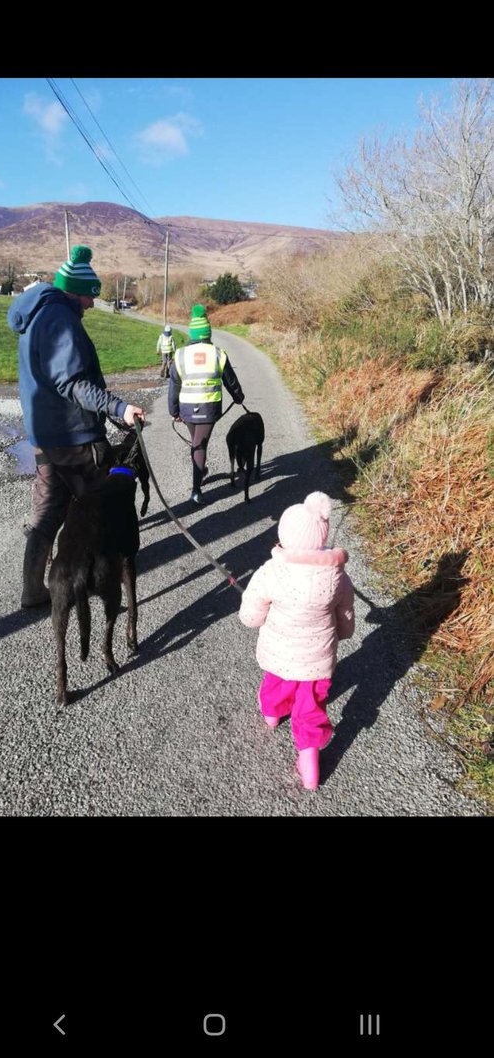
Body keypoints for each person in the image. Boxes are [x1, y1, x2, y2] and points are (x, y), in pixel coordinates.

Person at [7, 244, 145, 609]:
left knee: (49, 511)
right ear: (75, 290)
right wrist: (119, 407)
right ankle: (101, 578)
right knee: (97, 507)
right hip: (75, 436)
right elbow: (73, 384)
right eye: (89, 296)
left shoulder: (36, 314)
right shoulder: (59, 318)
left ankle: (33, 589)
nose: (91, 305)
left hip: (45, 436)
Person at [238, 491, 355, 789]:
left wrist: (256, 618)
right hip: (317, 659)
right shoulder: (338, 577)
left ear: (284, 535)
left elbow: (251, 614)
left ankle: (273, 716)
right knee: (310, 707)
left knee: (276, 685)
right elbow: (346, 616)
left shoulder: (271, 571)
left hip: (280, 653)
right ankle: (309, 764)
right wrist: (341, 634)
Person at [168, 304, 244, 506]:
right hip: (209, 409)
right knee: (199, 444)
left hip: (187, 408)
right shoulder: (218, 353)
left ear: (192, 334)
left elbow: (174, 386)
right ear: (208, 333)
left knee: (197, 443)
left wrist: (173, 411)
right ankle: (196, 489)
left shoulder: (180, 355)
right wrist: (238, 397)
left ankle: (200, 473)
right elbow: (231, 381)